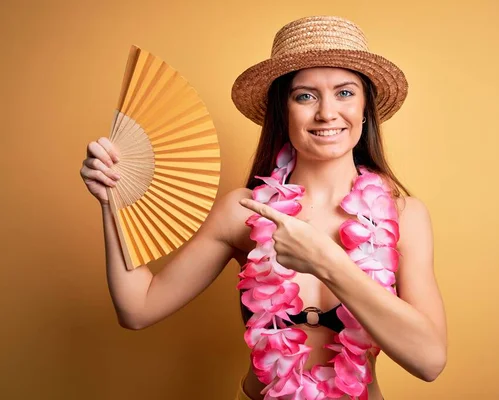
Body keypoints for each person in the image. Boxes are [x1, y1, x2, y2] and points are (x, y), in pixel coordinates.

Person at [80, 15, 447, 400]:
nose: (326, 112)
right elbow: (137, 309)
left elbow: (430, 360)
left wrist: (327, 261)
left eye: (345, 93)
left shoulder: (404, 216)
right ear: (282, 111)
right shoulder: (244, 211)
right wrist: (112, 199)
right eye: (305, 95)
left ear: (366, 108)